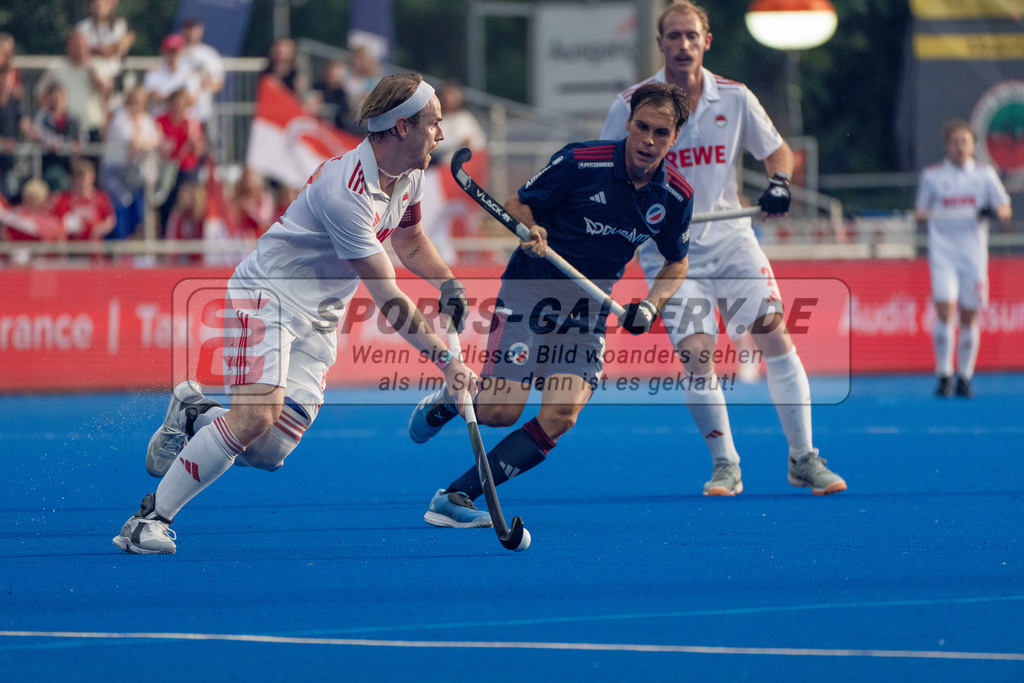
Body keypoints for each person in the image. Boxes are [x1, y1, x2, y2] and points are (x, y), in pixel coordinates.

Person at [112, 72, 477, 554]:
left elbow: (409, 240)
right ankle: (148, 520)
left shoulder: (409, 176)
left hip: (321, 315)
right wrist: (446, 360)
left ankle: (195, 412)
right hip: (269, 296)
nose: (442, 133)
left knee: (269, 451)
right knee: (252, 419)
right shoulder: (345, 191)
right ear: (401, 127)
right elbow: (388, 295)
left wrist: (446, 279)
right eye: (434, 122)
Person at [408, 82, 692, 528]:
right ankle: (450, 400)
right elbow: (516, 204)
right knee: (500, 412)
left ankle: (458, 494)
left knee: (561, 416)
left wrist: (652, 305)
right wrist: (531, 228)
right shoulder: (581, 161)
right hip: (530, 291)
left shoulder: (675, 196)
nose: (648, 141)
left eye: (661, 132)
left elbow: (677, 262)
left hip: (588, 310)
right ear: (628, 123)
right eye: (641, 127)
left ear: (675, 137)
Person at [600, 1, 846, 497]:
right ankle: (725, 464)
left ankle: (804, 459)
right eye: (674, 36)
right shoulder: (633, 104)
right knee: (696, 355)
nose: (683, 45)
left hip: (732, 239)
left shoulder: (734, 98)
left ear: (706, 41)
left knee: (774, 335)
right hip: (669, 252)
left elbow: (778, 150)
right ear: (661, 43)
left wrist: (779, 181)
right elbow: (607, 172)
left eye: (692, 35)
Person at [914, 118, 1011, 399]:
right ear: (947, 146)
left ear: (972, 145)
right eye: (954, 142)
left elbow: (1004, 207)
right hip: (943, 252)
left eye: (964, 142)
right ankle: (943, 373)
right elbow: (921, 211)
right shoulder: (932, 176)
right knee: (945, 310)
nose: (959, 148)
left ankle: (964, 376)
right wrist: (930, 215)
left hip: (973, 255)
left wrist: (993, 213)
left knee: (970, 315)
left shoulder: (985, 175)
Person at [99, 86, 160, 239]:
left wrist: (147, 141)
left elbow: (156, 141)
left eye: (139, 102)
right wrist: (147, 141)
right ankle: (117, 251)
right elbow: (135, 143)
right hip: (116, 173)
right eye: (133, 101)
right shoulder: (120, 119)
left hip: (136, 176)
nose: (136, 106)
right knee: (121, 208)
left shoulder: (146, 120)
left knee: (139, 212)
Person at [179, 18, 224, 132]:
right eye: (188, 29)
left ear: (201, 30)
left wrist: (202, 85)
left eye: (194, 29)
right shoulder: (175, 53)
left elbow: (219, 82)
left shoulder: (209, 54)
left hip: (201, 111)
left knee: (204, 146)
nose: (191, 33)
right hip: (178, 113)